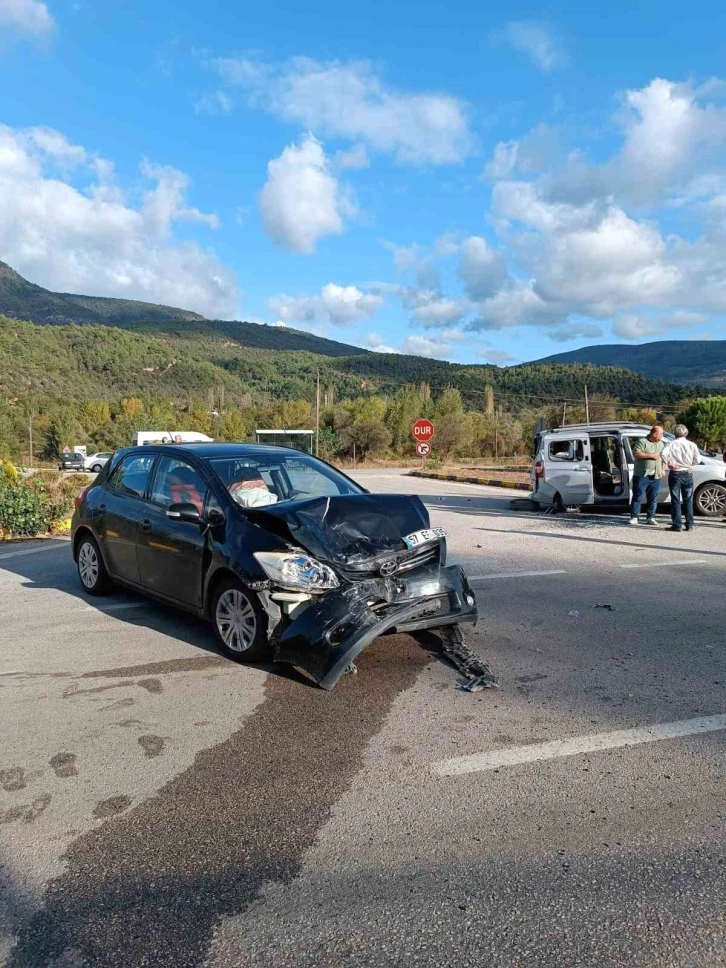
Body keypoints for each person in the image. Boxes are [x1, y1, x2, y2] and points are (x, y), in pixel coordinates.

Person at [661, 424, 702, 532]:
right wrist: (689, 464)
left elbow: (663, 455)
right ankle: (689, 524)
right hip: (687, 473)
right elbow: (697, 460)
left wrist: (670, 464)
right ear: (686, 433)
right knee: (688, 500)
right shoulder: (692, 445)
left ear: (675, 433)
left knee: (675, 500)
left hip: (675, 473)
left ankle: (677, 524)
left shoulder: (671, 443)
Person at [629, 425, 666, 526]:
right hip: (642, 475)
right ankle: (634, 516)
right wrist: (651, 455)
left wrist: (663, 469)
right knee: (638, 496)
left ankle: (651, 517)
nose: (662, 435)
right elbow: (636, 453)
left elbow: (664, 458)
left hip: (656, 476)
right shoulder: (642, 442)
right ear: (654, 434)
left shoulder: (661, 444)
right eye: (661, 433)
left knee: (653, 498)